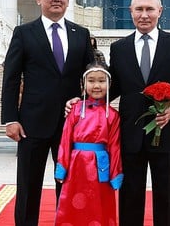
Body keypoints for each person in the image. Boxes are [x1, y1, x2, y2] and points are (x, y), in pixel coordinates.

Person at [0, 0, 94, 225]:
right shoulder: (24, 33)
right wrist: (10, 119)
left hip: (71, 124)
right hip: (32, 123)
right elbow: (11, 78)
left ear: (68, 0)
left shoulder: (81, 34)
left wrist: (84, 103)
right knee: (29, 185)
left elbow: (92, 77)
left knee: (69, 184)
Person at [108, 0, 170, 225]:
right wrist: (84, 101)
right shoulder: (119, 48)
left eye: (149, 9)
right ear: (131, 12)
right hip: (130, 135)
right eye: (138, 9)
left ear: (160, 11)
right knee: (130, 197)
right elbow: (113, 88)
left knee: (167, 198)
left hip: (167, 134)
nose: (144, 15)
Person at [54, 62, 123, 225]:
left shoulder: (113, 115)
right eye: (91, 81)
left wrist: (116, 173)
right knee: (73, 203)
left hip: (101, 168)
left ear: (109, 84)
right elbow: (65, 139)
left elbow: (115, 146)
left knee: (99, 205)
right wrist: (62, 166)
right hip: (76, 164)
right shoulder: (75, 109)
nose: (96, 85)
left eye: (101, 81)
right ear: (83, 83)